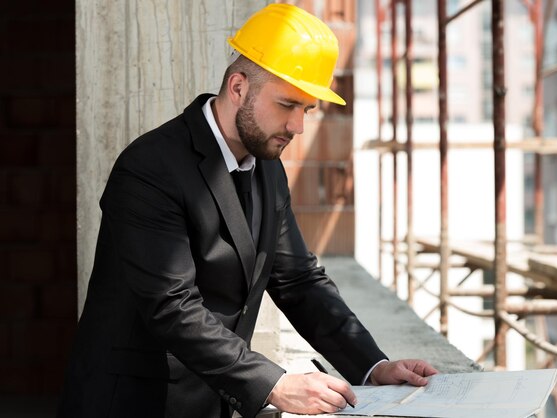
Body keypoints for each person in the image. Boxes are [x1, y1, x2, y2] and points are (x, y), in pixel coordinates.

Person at [57, 4, 438, 418]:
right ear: (238, 87)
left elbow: (298, 279)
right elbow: (171, 306)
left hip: (214, 402)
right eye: (288, 104)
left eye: (307, 109)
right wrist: (275, 385)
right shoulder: (149, 168)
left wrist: (372, 366)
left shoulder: (266, 165)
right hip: (133, 404)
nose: (298, 127)